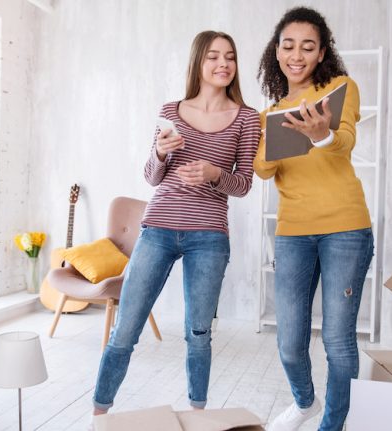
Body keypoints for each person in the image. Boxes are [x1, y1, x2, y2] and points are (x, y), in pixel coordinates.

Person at [92, 30, 260, 416]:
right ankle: (98, 415)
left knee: (198, 334)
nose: (223, 64)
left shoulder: (247, 119)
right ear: (198, 63)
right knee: (126, 327)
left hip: (209, 236)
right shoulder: (170, 111)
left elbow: (244, 184)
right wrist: (160, 152)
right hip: (158, 229)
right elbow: (151, 177)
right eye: (214, 56)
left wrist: (216, 173)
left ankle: (197, 416)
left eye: (230, 57)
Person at [254, 7, 374, 431]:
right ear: (277, 52)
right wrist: (278, 137)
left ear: (322, 53)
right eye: (288, 45)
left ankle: (333, 425)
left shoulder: (341, 88)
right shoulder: (273, 110)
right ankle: (305, 402)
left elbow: (343, 143)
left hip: (346, 229)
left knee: (339, 342)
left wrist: (320, 134)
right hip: (292, 234)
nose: (297, 54)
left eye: (308, 46)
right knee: (289, 343)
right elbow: (262, 171)